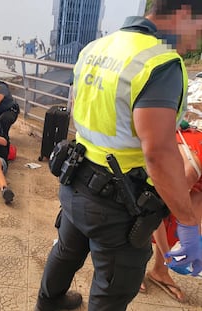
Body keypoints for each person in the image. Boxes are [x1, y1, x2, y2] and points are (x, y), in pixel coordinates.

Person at [35, 2, 202, 311]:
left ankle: (49, 303)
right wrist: (189, 223)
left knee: (66, 252)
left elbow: (84, 108)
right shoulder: (162, 62)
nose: (196, 41)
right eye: (199, 28)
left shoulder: (97, 47)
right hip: (118, 203)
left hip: (75, 179)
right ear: (182, 13)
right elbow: (158, 154)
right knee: (112, 288)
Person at [142, 127, 202, 302]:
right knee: (143, 213)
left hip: (189, 166)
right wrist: (169, 256)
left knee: (181, 219)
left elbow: (195, 209)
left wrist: (194, 244)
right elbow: (156, 213)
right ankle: (130, 268)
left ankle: (159, 272)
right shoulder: (191, 168)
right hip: (165, 158)